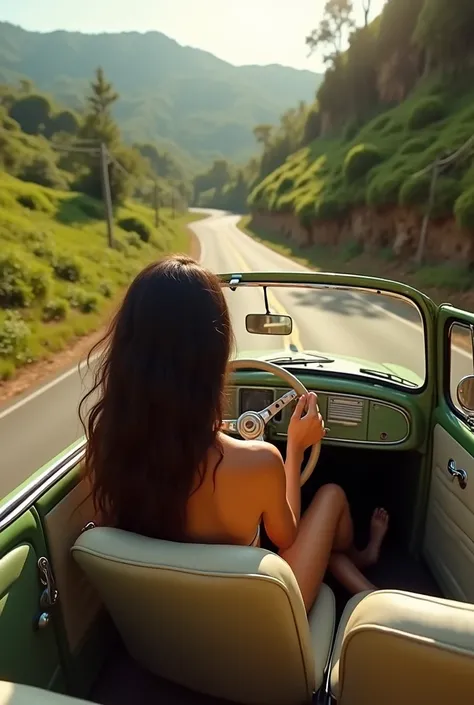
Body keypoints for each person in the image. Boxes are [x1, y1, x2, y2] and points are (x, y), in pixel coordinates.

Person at [80, 255, 389, 613]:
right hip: (251, 613)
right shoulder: (257, 461)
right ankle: (361, 560)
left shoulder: (107, 444)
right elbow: (285, 536)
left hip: (165, 618)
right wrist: (295, 451)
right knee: (332, 495)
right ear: (215, 356)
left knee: (323, 546)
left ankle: (349, 563)